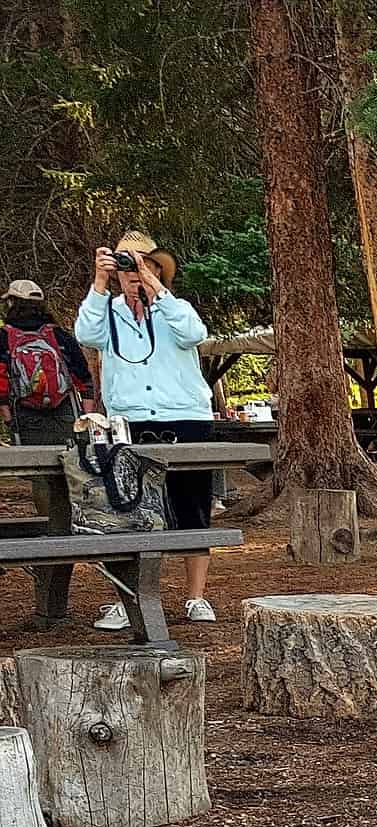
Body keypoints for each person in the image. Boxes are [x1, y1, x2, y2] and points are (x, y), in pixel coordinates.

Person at [73, 231, 219, 631]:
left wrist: (156, 289)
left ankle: (196, 597)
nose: (134, 271)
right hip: (129, 420)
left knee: (192, 506)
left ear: (156, 267)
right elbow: (85, 335)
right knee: (127, 510)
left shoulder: (175, 309)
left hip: (184, 416)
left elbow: (194, 334)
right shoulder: (107, 311)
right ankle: (127, 599)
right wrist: (100, 283)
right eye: (126, 263)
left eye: (142, 262)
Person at [3, 278, 97, 446]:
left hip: (24, 413)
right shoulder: (59, 335)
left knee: (32, 464)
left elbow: (1, 383)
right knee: (72, 460)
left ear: (11, 303)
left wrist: (9, 420)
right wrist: (85, 417)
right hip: (64, 410)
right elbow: (83, 378)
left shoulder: (4, 338)